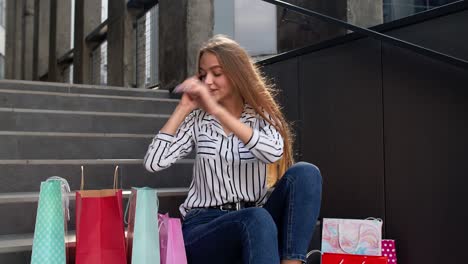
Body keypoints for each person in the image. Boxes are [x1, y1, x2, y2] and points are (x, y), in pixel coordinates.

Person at [144, 35, 322, 264]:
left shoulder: (260, 117)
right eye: (203, 74)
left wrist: (221, 114)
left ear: (237, 75)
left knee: (306, 173)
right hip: (204, 225)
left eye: (216, 73)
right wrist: (183, 108)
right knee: (256, 218)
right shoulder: (198, 120)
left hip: (256, 220)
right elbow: (153, 162)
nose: (207, 81)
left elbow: (274, 152)